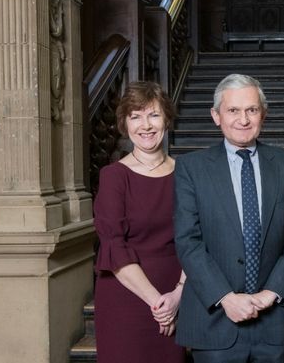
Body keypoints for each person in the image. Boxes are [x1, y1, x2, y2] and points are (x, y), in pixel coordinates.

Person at [173, 73, 284, 363]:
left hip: (276, 321)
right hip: (214, 322)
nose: (243, 119)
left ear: (264, 114)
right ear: (216, 116)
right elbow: (188, 241)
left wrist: (272, 293)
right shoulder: (191, 168)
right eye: (233, 110)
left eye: (251, 110)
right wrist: (225, 297)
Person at [93, 81, 186, 363]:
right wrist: (158, 303)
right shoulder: (113, 176)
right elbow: (114, 247)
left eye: (153, 115)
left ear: (167, 119)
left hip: (177, 290)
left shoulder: (188, 173)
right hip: (127, 296)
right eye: (136, 116)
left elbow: (199, 239)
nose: (145, 125)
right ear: (125, 124)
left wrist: (177, 296)